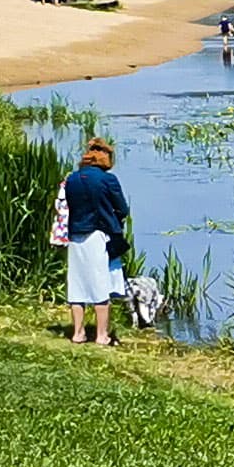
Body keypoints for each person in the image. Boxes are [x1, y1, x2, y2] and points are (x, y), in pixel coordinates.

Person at [62, 136, 131, 346]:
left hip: (75, 235)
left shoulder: (71, 179)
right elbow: (122, 208)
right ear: (105, 158)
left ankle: (78, 333)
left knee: (77, 285)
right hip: (98, 235)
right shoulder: (107, 179)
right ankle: (102, 335)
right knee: (101, 285)